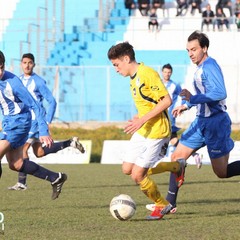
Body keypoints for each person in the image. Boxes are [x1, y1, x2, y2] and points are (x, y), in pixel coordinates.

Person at [152, 30, 240, 217]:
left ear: (204, 48)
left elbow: (220, 93)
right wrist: (187, 105)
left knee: (221, 172)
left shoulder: (209, 66)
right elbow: (204, 96)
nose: (190, 53)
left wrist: (193, 98)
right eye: (188, 50)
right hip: (200, 122)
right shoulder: (200, 68)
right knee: (177, 158)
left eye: (194, 49)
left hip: (216, 123)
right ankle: (170, 203)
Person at [107, 42, 186, 220]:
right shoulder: (133, 79)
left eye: (116, 65)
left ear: (126, 59)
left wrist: (142, 119)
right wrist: (139, 117)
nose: (116, 69)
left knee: (138, 174)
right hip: (144, 128)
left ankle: (162, 205)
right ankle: (176, 166)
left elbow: (166, 101)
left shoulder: (147, 73)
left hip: (158, 130)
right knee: (127, 168)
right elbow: (148, 103)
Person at [8, 53, 85, 191]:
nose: (27, 65)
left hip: (35, 121)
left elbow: (52, 101)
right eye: (24, 62)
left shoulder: (38, 81)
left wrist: (47, 120)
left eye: (30, 62)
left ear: (34, 65)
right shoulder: (17, 80)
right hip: (24, 120)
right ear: (21, 64)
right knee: (39, 152)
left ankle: (21, 183)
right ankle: (69, 142)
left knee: (23, 148)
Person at [0, 50, 67, 200]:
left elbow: (36, 105)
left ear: (3, 66)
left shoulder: (14, 83)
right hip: (8, 124)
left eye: (1, 68)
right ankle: (55, 177)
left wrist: (44, 130)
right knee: (16, 164)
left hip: (20, 123)